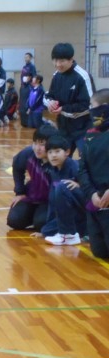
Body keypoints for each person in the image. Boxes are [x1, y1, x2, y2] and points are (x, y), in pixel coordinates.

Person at [44, 42, 94, 156]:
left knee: (86, 159)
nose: (58, 64)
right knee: (62, 159)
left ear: (71, 59)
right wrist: (50, 103)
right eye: (55, 60)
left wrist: (63, 109)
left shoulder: (82, 76)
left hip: (83, 128)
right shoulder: (57, 75)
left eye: (62, 61)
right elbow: (49, 95)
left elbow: (89, 105)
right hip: (64, 127)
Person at [6, 124, 59, 231]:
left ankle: (40, 217)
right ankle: (35, 216)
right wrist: (20, 192)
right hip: (32, 196)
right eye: (35, 143)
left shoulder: (58, 161)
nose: (37, 148)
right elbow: (17, 166)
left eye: (42, 144)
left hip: (50, 201)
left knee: (41, 223)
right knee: (14, 220)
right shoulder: (28, 153)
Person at [37, 135, 85, 245]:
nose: (53, 155)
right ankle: (72, 230)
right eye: (50, 152)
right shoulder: (53, 170)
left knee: (62, 186)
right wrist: (45, 232)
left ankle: (68, 234)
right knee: (46, 230)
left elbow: (90, 185)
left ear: (67, 152)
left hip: (83, 207)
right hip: (69, 210)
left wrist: (80, 184)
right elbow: (52, 201)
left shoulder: (74, 166)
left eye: (57, 151)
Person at [78, 88, 109, 258]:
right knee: (99, 252)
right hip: (96, 200)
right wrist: (91, 194)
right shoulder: (90, 135)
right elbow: (82, 168)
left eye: (93, 107)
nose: (91, 111)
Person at [19, 53, 36, 128]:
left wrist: (32, 84)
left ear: (31, 58)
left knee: (27, 104)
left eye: (27, 57)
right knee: (22, 105)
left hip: (28, 87)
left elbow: (34, 77)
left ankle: (29, 121)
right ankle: (23, 122)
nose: (26, 58)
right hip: (23, 87)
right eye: (25, 57)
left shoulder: (32, 67)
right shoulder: (24, 67)